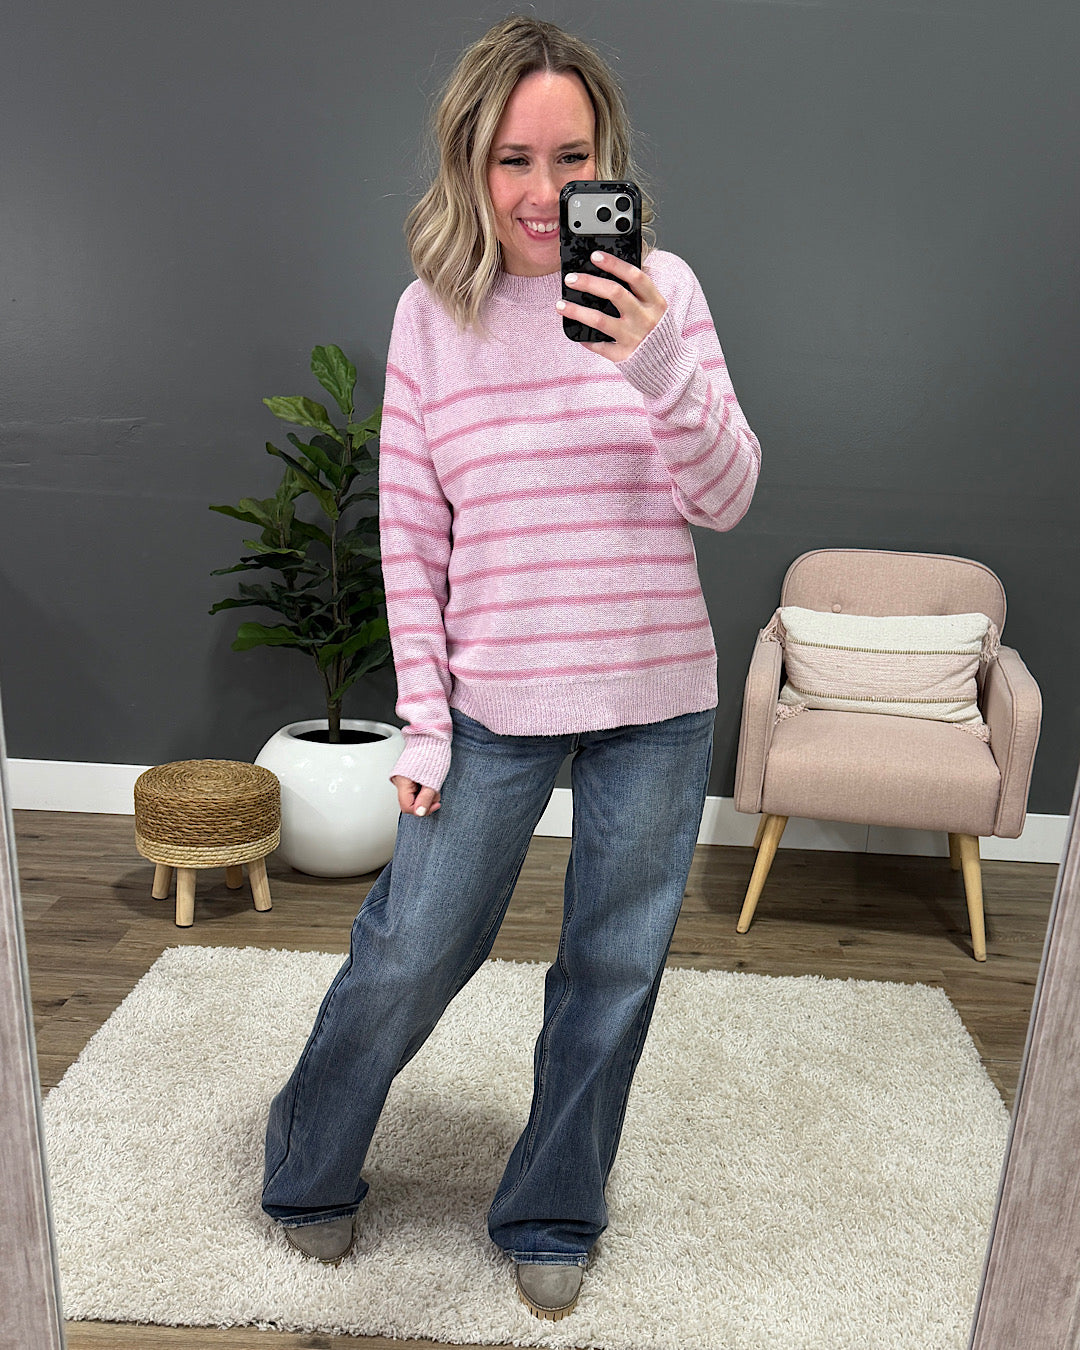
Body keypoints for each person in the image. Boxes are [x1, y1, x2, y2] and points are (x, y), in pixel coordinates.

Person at [261, 14, 760, 1321]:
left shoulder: (665, 292)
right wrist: (424, 723)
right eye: (514, 159)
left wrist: (654, 360)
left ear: (608, 161)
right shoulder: (433, 318)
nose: (544, 192)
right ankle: (307, 1164)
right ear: (470, 163)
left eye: (572, 157)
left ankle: (552, 1206)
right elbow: (411, 536)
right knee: (411, 947)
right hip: (493, 701)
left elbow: (727, 496)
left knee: (613, 973)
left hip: (657, 698)